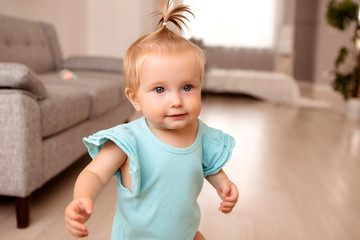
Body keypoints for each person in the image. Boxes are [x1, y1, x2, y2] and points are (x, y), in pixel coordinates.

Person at [65, 1, 238, 239]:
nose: (176, 100)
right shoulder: (128, 140)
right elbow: (94, 174)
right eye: (159, 90)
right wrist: (82, 198)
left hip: (184, 233)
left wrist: (223, 184)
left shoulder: (201, 133)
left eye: (187, 87)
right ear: (135, 98)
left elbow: (209, 167)